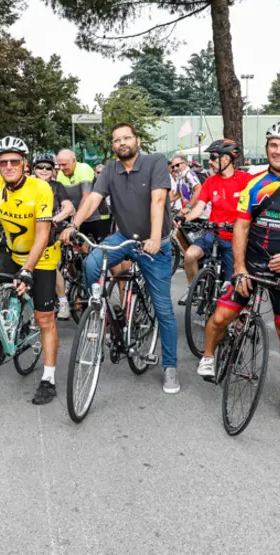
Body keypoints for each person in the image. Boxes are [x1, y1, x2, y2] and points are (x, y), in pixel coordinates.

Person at [196, 121, 280, 416]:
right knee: (220, 317)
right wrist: (240, 267)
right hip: (253, 264)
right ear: (267, 148)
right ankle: (208, 356)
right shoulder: (253, 183)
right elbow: (241, 226)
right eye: (273, 145)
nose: (278, 151)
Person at [61, 123, 181, 395]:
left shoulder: (155, 162)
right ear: (113, 145)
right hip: (124, 237)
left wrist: (152, 237)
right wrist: (74, 225)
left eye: (127, 138)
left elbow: (158, 201)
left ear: (137, 140)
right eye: (117, 140)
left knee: (163, 308)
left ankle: (170, 367)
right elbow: (93, 198)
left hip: (154, 244)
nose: (122, 143)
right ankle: (101, 311)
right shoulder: (110, 169)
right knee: (92, 263)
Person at [0, 136, 62, 405]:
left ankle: (48, 379)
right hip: (11, 252)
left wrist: (28, 270)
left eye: (14, 161)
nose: (8, 166)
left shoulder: (41, 188)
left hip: (41, 257)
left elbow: (42, 234)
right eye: (2, 162)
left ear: (24, 164)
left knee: (44, 319)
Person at [178, 139, 251, 300]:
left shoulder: (245, 180)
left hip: (234, 239)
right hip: (213, 234)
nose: (209, 162)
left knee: (230, 287)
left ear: (226, 158)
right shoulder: (211, 181)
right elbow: (199, 207)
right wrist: (185, 218)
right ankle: (194, 291)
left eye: (213, 157)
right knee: (189, 256)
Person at [30, 153, 75, 320]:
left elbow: (68, 207)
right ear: (34, 169)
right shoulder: (28, 185)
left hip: (51, 232)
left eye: (48, 167)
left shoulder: (57, 187)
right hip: (30, 231)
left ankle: (62, 302)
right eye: (40, 167)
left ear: (53, 170)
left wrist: (54, 219)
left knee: (50, 267)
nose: (44, 170)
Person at [56, 149, 109, 243]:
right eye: (59, 164)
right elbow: (63, 199)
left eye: (64, 164)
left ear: (74, 160)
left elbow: (86, 197)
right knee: (79, 248)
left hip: (98, 216)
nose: (61, 168)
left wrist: (74, 221)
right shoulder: (60, 174)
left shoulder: (84, 168)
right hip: (80, 218)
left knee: (101, 248)